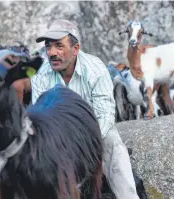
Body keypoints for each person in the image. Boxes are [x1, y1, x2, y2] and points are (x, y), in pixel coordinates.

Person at [24, 19, 139, 199]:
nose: (52, 53)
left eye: (59, 46)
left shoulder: (95, 69)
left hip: (93, 131)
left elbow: (105, 114)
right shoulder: (41, 75)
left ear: (75, 49)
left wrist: (83, 144)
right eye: (48, 46)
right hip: (57, 133)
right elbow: (40, 117)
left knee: (113, 144)